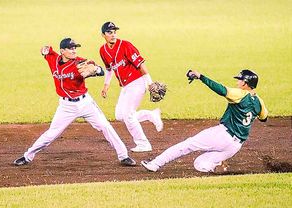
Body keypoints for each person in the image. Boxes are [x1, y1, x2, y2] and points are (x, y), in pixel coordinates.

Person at [14, 37, 136, 167]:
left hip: (85, 103)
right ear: (62, 51)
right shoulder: (53, 59)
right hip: (66, 106)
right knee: (51, 134)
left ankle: (124, 156)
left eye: (75, 48)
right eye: (71, 48)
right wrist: (44, 50)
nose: (74, 50)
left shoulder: (80, 63)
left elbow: (99, 70)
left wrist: (95, 70)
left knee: (105, 126)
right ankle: (27, 156)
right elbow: (46, 50)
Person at [141, 69, 268, 173]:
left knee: (188, 145)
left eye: (240, 80)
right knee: (200, 164)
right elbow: (264, 118)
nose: (238, 82)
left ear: (245, 83)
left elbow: (221, 89)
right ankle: (218, 169)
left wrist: (200, 76)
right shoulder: (259, 102)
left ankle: (154, 164)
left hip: (222, 135)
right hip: (234, 146)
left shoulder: (240, 94)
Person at [99, 22, 163, 153]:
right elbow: (109, 69)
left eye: (114, 32)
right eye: (109, 32)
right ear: (103, 35)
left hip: (137, 82)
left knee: (128, 115)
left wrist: (149, 83)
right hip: (125, 86)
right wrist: (106, 85)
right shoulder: (103, 50)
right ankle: (151, 114)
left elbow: (141, 64)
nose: (113, 35)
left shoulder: (126, 46)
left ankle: (143, 144)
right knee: (119, 115)